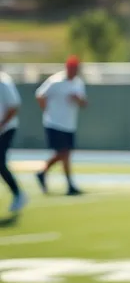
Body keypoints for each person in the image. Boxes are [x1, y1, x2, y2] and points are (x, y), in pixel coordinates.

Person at [34, 55, 87, 195]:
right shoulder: (56, 81)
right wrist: (46, 110)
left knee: (65, 154)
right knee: (63, 153)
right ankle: (68, 183)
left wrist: (78, 100)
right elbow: (40, 95)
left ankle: (44, 173)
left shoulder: (78, 83)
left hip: (69, 124)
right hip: (54, 122)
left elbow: (84, 103)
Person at [0, 69, 24, 214]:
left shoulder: (4, 81)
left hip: (6, 128)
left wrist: (2, 125)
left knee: (0, 162)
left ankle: (17, 193)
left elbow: (14, 106)